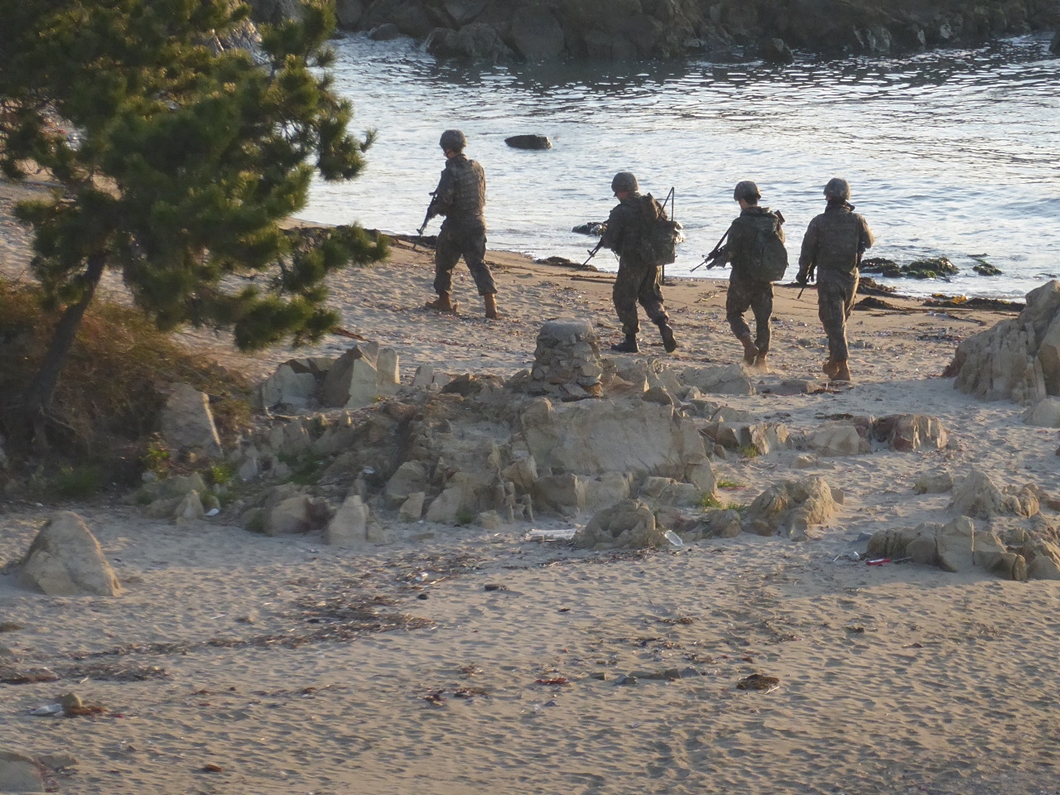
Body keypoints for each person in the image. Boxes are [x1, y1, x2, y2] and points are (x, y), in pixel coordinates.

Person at [797, 177, 875, 382]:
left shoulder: (819, 222)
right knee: (839, 322)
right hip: (851, 278)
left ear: (827, 197)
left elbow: (807, 251)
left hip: (828, 277)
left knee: (833, 323)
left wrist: (802, 274)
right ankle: (834, 362)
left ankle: (843, 366)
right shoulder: (857, 220)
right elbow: (869, 242)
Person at [422, 129, 499, 319]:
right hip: (478, 222)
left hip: (456, 226)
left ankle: (444, 300)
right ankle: (491, 307)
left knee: (443, 262)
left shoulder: (450, 172)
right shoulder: (477, 167)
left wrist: (433, 211)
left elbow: (445, 202)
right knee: (478, 264)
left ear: (448, 149)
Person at [599, 171, 677, 354]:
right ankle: (663, 323)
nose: (617, 196)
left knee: (623, 297)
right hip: (653, 260)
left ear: (621, 190)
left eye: (617, 192)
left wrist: (605, 239)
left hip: (632, 262)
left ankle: (630, 340)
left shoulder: (621, 211)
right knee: (650, 296)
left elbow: (610, 239)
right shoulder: (653, 205)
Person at [713, 180, 785, 369]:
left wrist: (719, 259)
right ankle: (762, 360)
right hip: (765, 277)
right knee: (763, 320)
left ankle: (748, 345)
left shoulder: (740, 223)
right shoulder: (773, 220)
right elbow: (780, 243)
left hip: (742, 277)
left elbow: (731, 251)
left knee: (734, 313)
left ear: (742, 200)